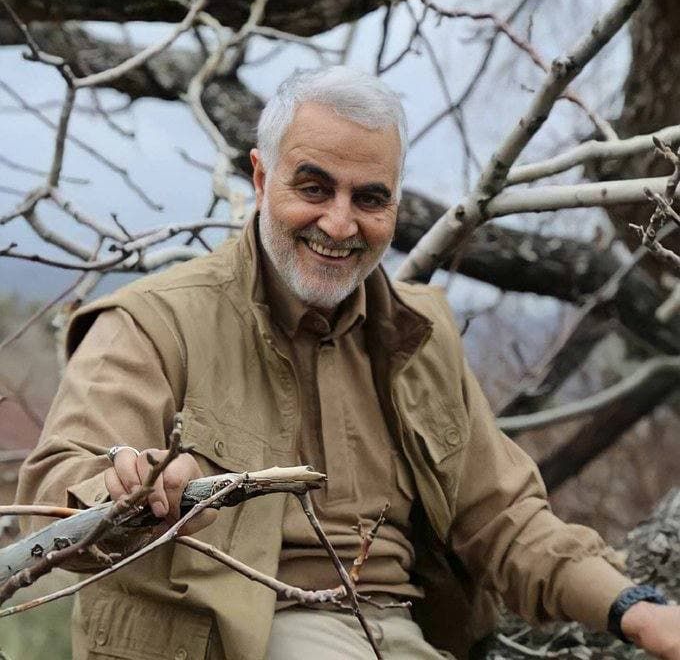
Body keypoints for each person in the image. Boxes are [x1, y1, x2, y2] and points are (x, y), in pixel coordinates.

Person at [16, 67, 680, 660]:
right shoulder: (153, 321)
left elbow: (502, 519)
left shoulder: (421, 333)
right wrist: (129, 493)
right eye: (314, 187)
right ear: (259, 178)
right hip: (238, 633)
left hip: (405, 634)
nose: (339, 224)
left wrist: (635, 610)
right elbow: (53, 497)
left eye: (369, 198)